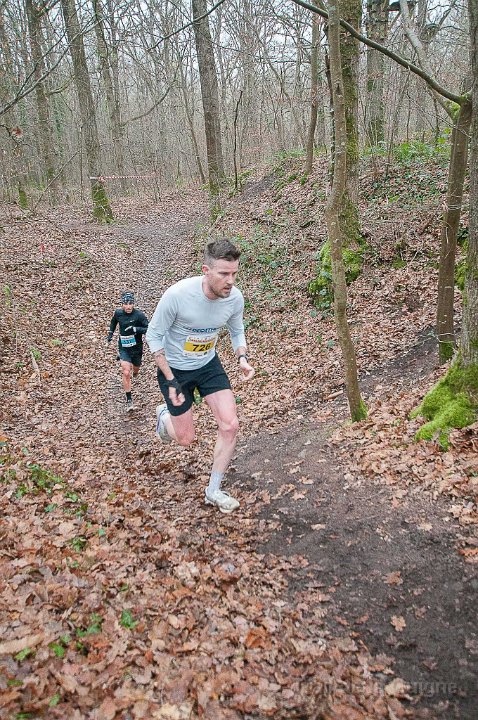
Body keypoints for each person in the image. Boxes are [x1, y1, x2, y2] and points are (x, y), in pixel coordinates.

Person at [146, 239, 255, 513]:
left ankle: (213, 490)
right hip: (175, 369)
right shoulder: (177, 295)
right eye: (224, 274)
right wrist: (170, 378)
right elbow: (154, 336)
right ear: (206, 270)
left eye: (234, 273)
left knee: (230, 425)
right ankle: (164, 417)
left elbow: (236, 330)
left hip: (208, 365)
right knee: (185, 439)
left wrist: (242, 358)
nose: (230, 281)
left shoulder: (235, 298)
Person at [107, 291, 149, 412]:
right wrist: (111, 333)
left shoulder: (139, 315)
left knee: (136, 368)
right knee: (126, 372)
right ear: (122, 304)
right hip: (124, 347)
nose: (128, 306)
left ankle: (136, 372)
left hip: (136, 348)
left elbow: (149, 328)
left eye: (131, 303)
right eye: (126, 304)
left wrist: (136, 329)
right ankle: (129, 400)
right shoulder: (118, 313)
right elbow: (113, 321)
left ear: (133, 304)